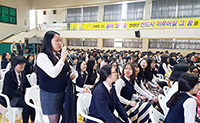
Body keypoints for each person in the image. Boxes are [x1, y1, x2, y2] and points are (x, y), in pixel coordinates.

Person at [36, 31, 73, 123]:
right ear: (49, 42)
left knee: (63, 118)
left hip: (62, 91)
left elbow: (66, 71)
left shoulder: (57, 55)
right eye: (57, 41)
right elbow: (53, 73)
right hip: (50, 93)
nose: (60, 43)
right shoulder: (42, 56)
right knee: (54, 120)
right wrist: (62, 59)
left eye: (60, 41)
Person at [1, 56, 35, 123]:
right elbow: (9, 90)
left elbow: (27, 85)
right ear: (15, 65)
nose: (23, 66)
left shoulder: (22, 73)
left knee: (32, 102)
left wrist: (29, 90)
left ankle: (33, 120)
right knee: (27, 104)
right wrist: (22, 95)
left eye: (24, 64)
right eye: (21, 64)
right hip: (11, 98)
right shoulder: (9, 74)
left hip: (21, 97)